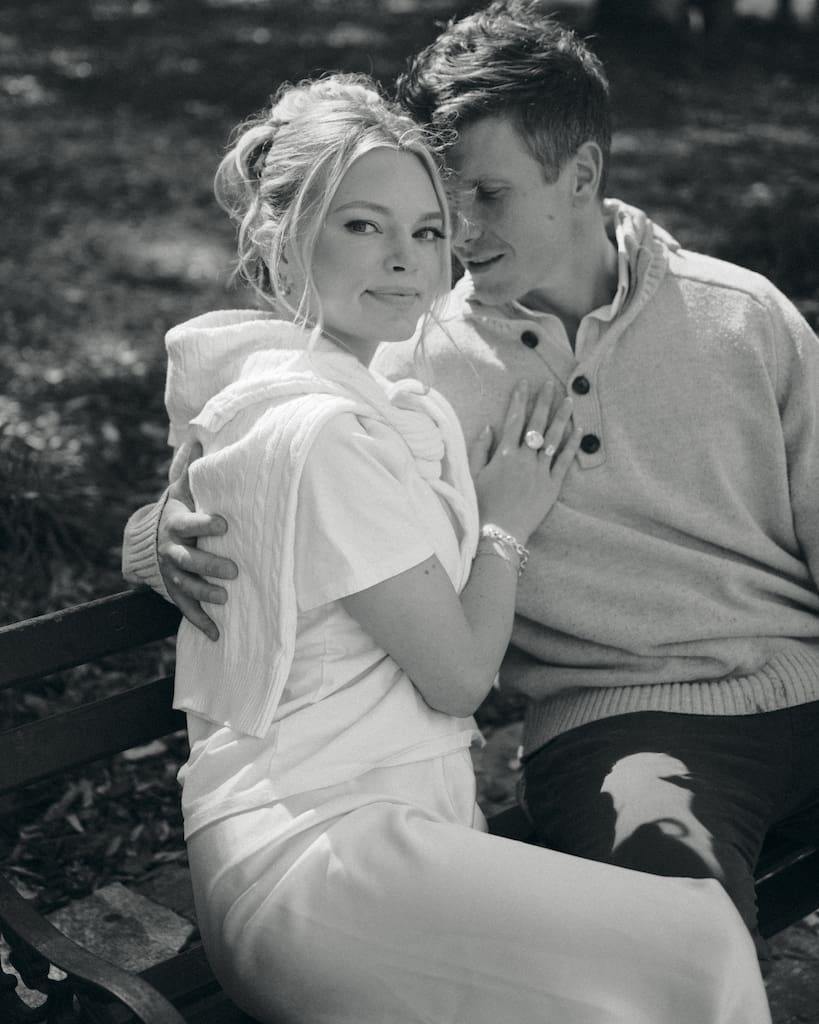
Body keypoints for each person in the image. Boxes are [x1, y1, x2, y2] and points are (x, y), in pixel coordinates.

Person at [127, 0, 819, 974]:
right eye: (446, 200)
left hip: (804, 681)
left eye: (485, 196)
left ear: (580, 177)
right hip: (626, 728)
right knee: (677, 938)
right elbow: (270, 454)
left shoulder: (743, 318)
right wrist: (158, 533)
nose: (458, 233)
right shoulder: (412, 363)